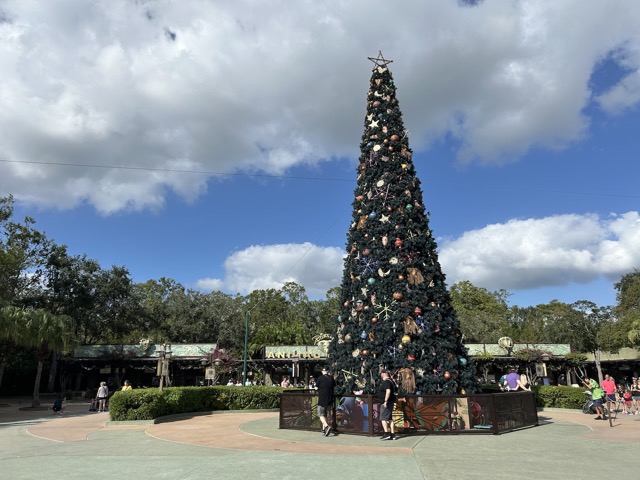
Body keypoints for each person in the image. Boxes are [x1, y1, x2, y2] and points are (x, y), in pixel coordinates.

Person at [315, 367, 336, 437]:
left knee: (320, 414)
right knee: (326, 414)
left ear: (322, 371)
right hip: (330, 399)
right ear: (328, 371)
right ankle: (324, 430)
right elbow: (334, 386)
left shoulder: (320, 378)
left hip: (322, 398)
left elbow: (316, 387)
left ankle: (327, 426)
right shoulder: (331, 378)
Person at [378, 370, 397, 440]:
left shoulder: (386, 382)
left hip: (386, 403)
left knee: (383, 418)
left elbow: (388, 391)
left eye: (381, 374)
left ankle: (386, 434)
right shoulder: (391, 381)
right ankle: (392, 434)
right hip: (390, 402)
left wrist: (385, 401)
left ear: (383, 374)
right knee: (389, 418)